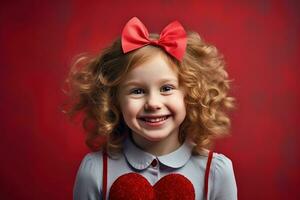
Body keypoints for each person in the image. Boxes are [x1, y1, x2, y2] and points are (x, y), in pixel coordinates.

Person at [63, 17, 237, 200]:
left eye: (166, 88)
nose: (153, 103)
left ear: (191, 94)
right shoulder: (96, 170)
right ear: (113, 100)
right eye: (137, 91)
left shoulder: (216, 172)